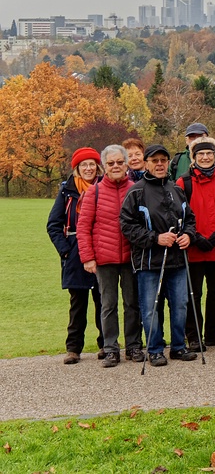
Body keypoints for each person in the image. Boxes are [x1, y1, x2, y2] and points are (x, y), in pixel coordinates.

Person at [119, 144, 199, 367]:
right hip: (149, 261)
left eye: (163, 160)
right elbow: (127, 225)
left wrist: (188, 236)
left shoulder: (177, 189)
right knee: (150, 306)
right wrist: (155, 238)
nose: (160, 164)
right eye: (155, 161)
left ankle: (178, 347)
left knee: (181, 304)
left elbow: (190, 219)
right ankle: (154, 349)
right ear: (146, 164)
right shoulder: (136, 191)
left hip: (178, 260)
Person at [76, 144, 143, 366]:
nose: (115, 166)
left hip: (132, 257)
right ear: (104, 166)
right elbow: (84, 227)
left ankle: (133, 346)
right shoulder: (92, 193)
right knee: (108, 305)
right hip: (104, 259)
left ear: (126, 164)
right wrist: (87, 257)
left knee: (133, 304)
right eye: (110, 163)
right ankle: (111, 347)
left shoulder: (136, 189)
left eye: (119, 162)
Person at [176, 137, 215, 351]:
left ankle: (213, 332)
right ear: (193, 157)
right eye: (200, 154)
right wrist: (194, 236)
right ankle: (193, 335)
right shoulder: (184, 183)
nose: (205, 157)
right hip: (194, 248)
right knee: (194, 293)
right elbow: (178, 215)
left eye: (209, 153)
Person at [47, 147, 104, 364]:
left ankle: (106, 344)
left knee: (103, 301)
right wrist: (66, 249)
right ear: (77, 168)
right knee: (78, 303)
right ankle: (73, 348)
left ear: (97, 166)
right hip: (74, 252)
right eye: (84, 165)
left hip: (100, 250)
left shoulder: (104, 187)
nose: (88, 168)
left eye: (92, 164)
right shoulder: (67, 191)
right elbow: (53, 224)